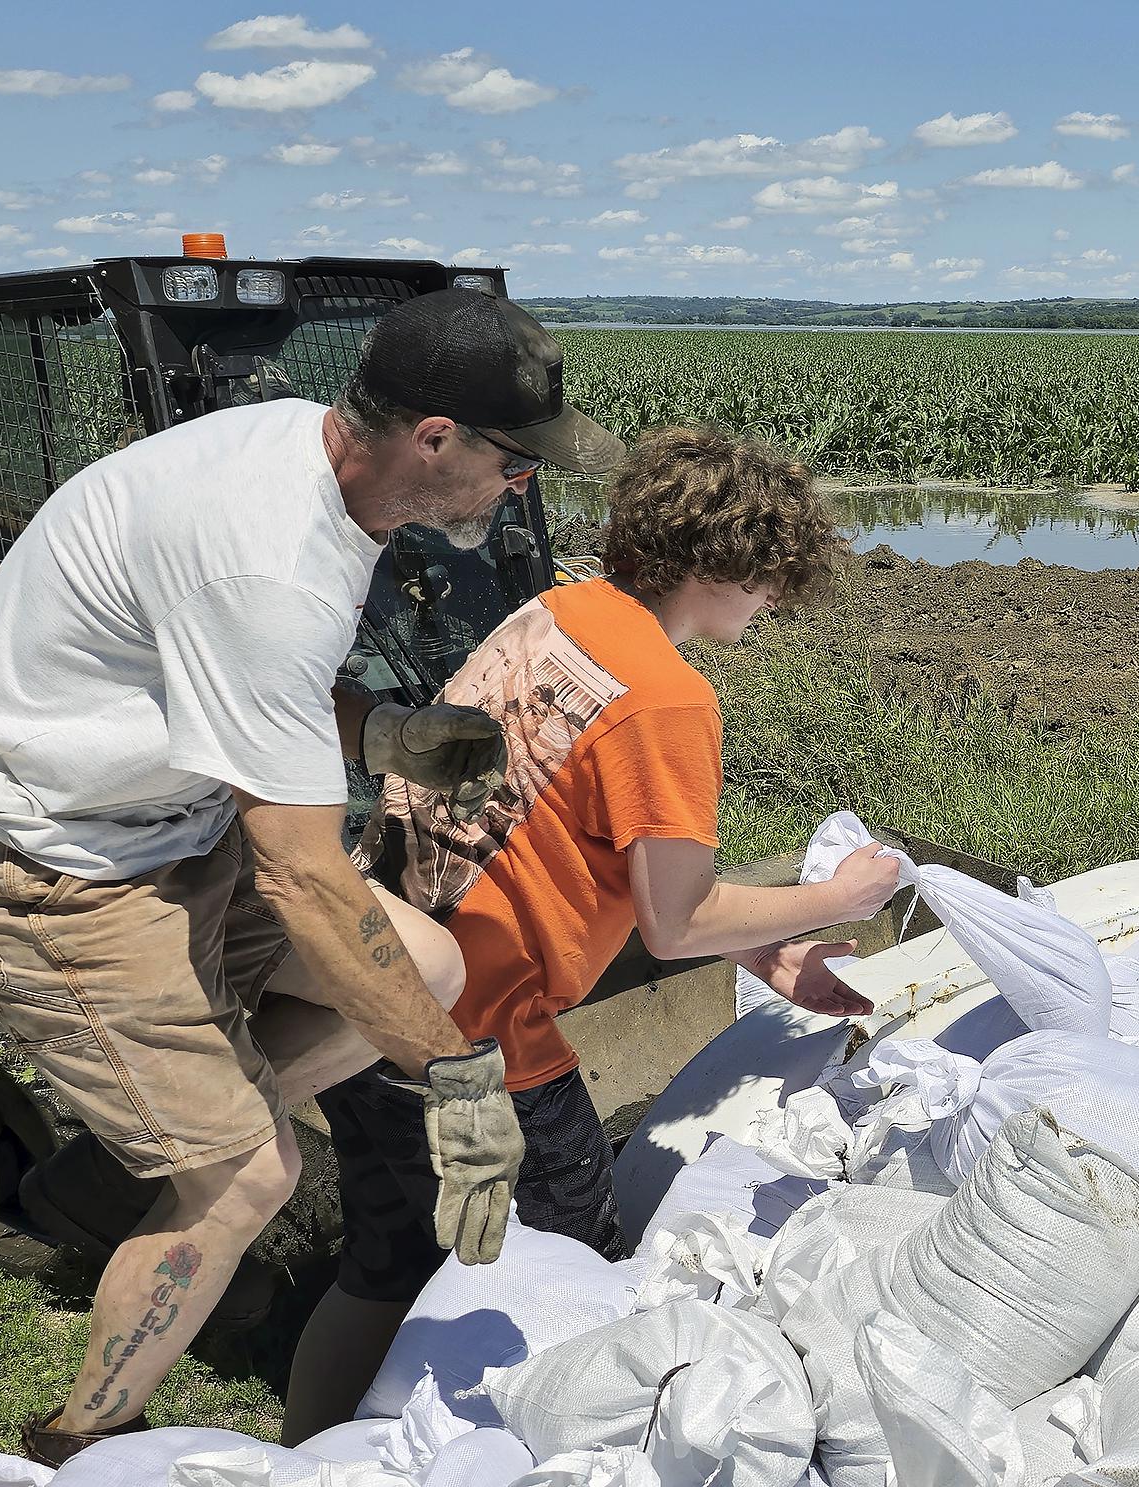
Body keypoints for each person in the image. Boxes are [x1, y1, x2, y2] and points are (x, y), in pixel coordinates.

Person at [0, 288, 625, 1465]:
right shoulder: (268, 570)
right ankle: (74, 1442)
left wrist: (376, 731)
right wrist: (459, 1083)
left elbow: (228, 678)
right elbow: (299, 875)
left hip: (163, 823)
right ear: (432, 437)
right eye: (511, 460)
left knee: (423, 959)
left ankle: (150, 1144)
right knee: (247, 1176)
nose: (523, 486)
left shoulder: (309, 462)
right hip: (44, 860)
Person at [280, 426, 905, 1441]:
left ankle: (306, 1456)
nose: (774, 599)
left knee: (384, 1262)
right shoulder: (665, 698)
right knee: (569, 1286)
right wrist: (837, 896)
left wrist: (758, 948)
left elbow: (567, 837)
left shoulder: (554, 612)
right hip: (485, 1051)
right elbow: (674, 917)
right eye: (768, 576)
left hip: (377, 997)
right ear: (716, 562)